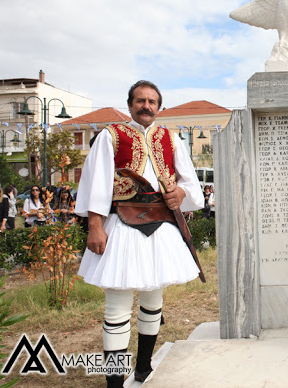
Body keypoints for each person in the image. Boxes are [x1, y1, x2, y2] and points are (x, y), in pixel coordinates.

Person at [75, 80, 204, 387]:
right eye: (140, 100)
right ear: (130, 104)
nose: (146, 106)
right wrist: (95, 225)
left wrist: (180, 193)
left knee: (153, 295)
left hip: (162, 225)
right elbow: (97, 183)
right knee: (118, 305)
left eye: (152, 101)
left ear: (159, 107)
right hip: (121, 223)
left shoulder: (172, 139)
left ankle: (144, 367)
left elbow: (191, 184)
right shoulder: (111, 136)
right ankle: (115, 383)